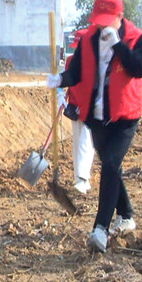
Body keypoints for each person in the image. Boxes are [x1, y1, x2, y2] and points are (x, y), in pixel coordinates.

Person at [47, 0, 142, 253]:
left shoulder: (138, 39)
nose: (104, 27)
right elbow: (79, 71)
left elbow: (139, 69)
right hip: (96, 115)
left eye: (108, 22)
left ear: (120, 17)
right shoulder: (88, 39)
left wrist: (118, 46)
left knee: (112, 164)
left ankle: (100, 229)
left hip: (125, 115)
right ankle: (125, 215)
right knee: (110, 166)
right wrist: (61, 79)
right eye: (99, 22)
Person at [62, 30, 95, 195]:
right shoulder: (70, 61)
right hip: (75, 105)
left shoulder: (95, 62)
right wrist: (62, 96)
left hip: (90, 107)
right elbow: (68, 81)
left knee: (86, 141)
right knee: (77, 142)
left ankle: (83, 178)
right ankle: (79, 179)